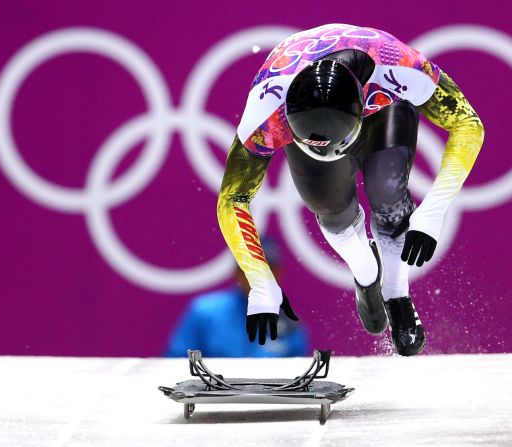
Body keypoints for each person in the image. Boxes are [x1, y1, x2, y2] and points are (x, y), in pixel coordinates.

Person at [217, 23, 484, 356]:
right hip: (312, 109)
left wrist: (433, 210)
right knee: (331, 210)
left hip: (384, 110)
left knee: (387, 192)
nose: (329, 152)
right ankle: (365, 272)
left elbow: (468, 124)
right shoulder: (265, 112)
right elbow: (232, 200)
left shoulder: (401, 68)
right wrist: (260, 278)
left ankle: (396, 293)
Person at [164, 238, 310, 357]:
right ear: (237, 272)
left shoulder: (291, 325)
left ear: (279, 273)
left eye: (268, 269)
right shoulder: (204, 312)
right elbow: (176, 365)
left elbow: (296, 380)